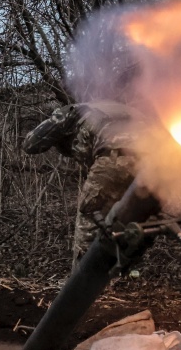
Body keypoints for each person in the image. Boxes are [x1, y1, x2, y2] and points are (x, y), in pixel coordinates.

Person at [23, 101, 141, 269]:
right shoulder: (123, 109)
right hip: (161, 158)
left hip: (116, 156)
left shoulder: (73, 111)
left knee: (89, 213)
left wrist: (56, 126)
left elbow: (30, 144)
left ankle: (80, 285)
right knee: (171, 220)